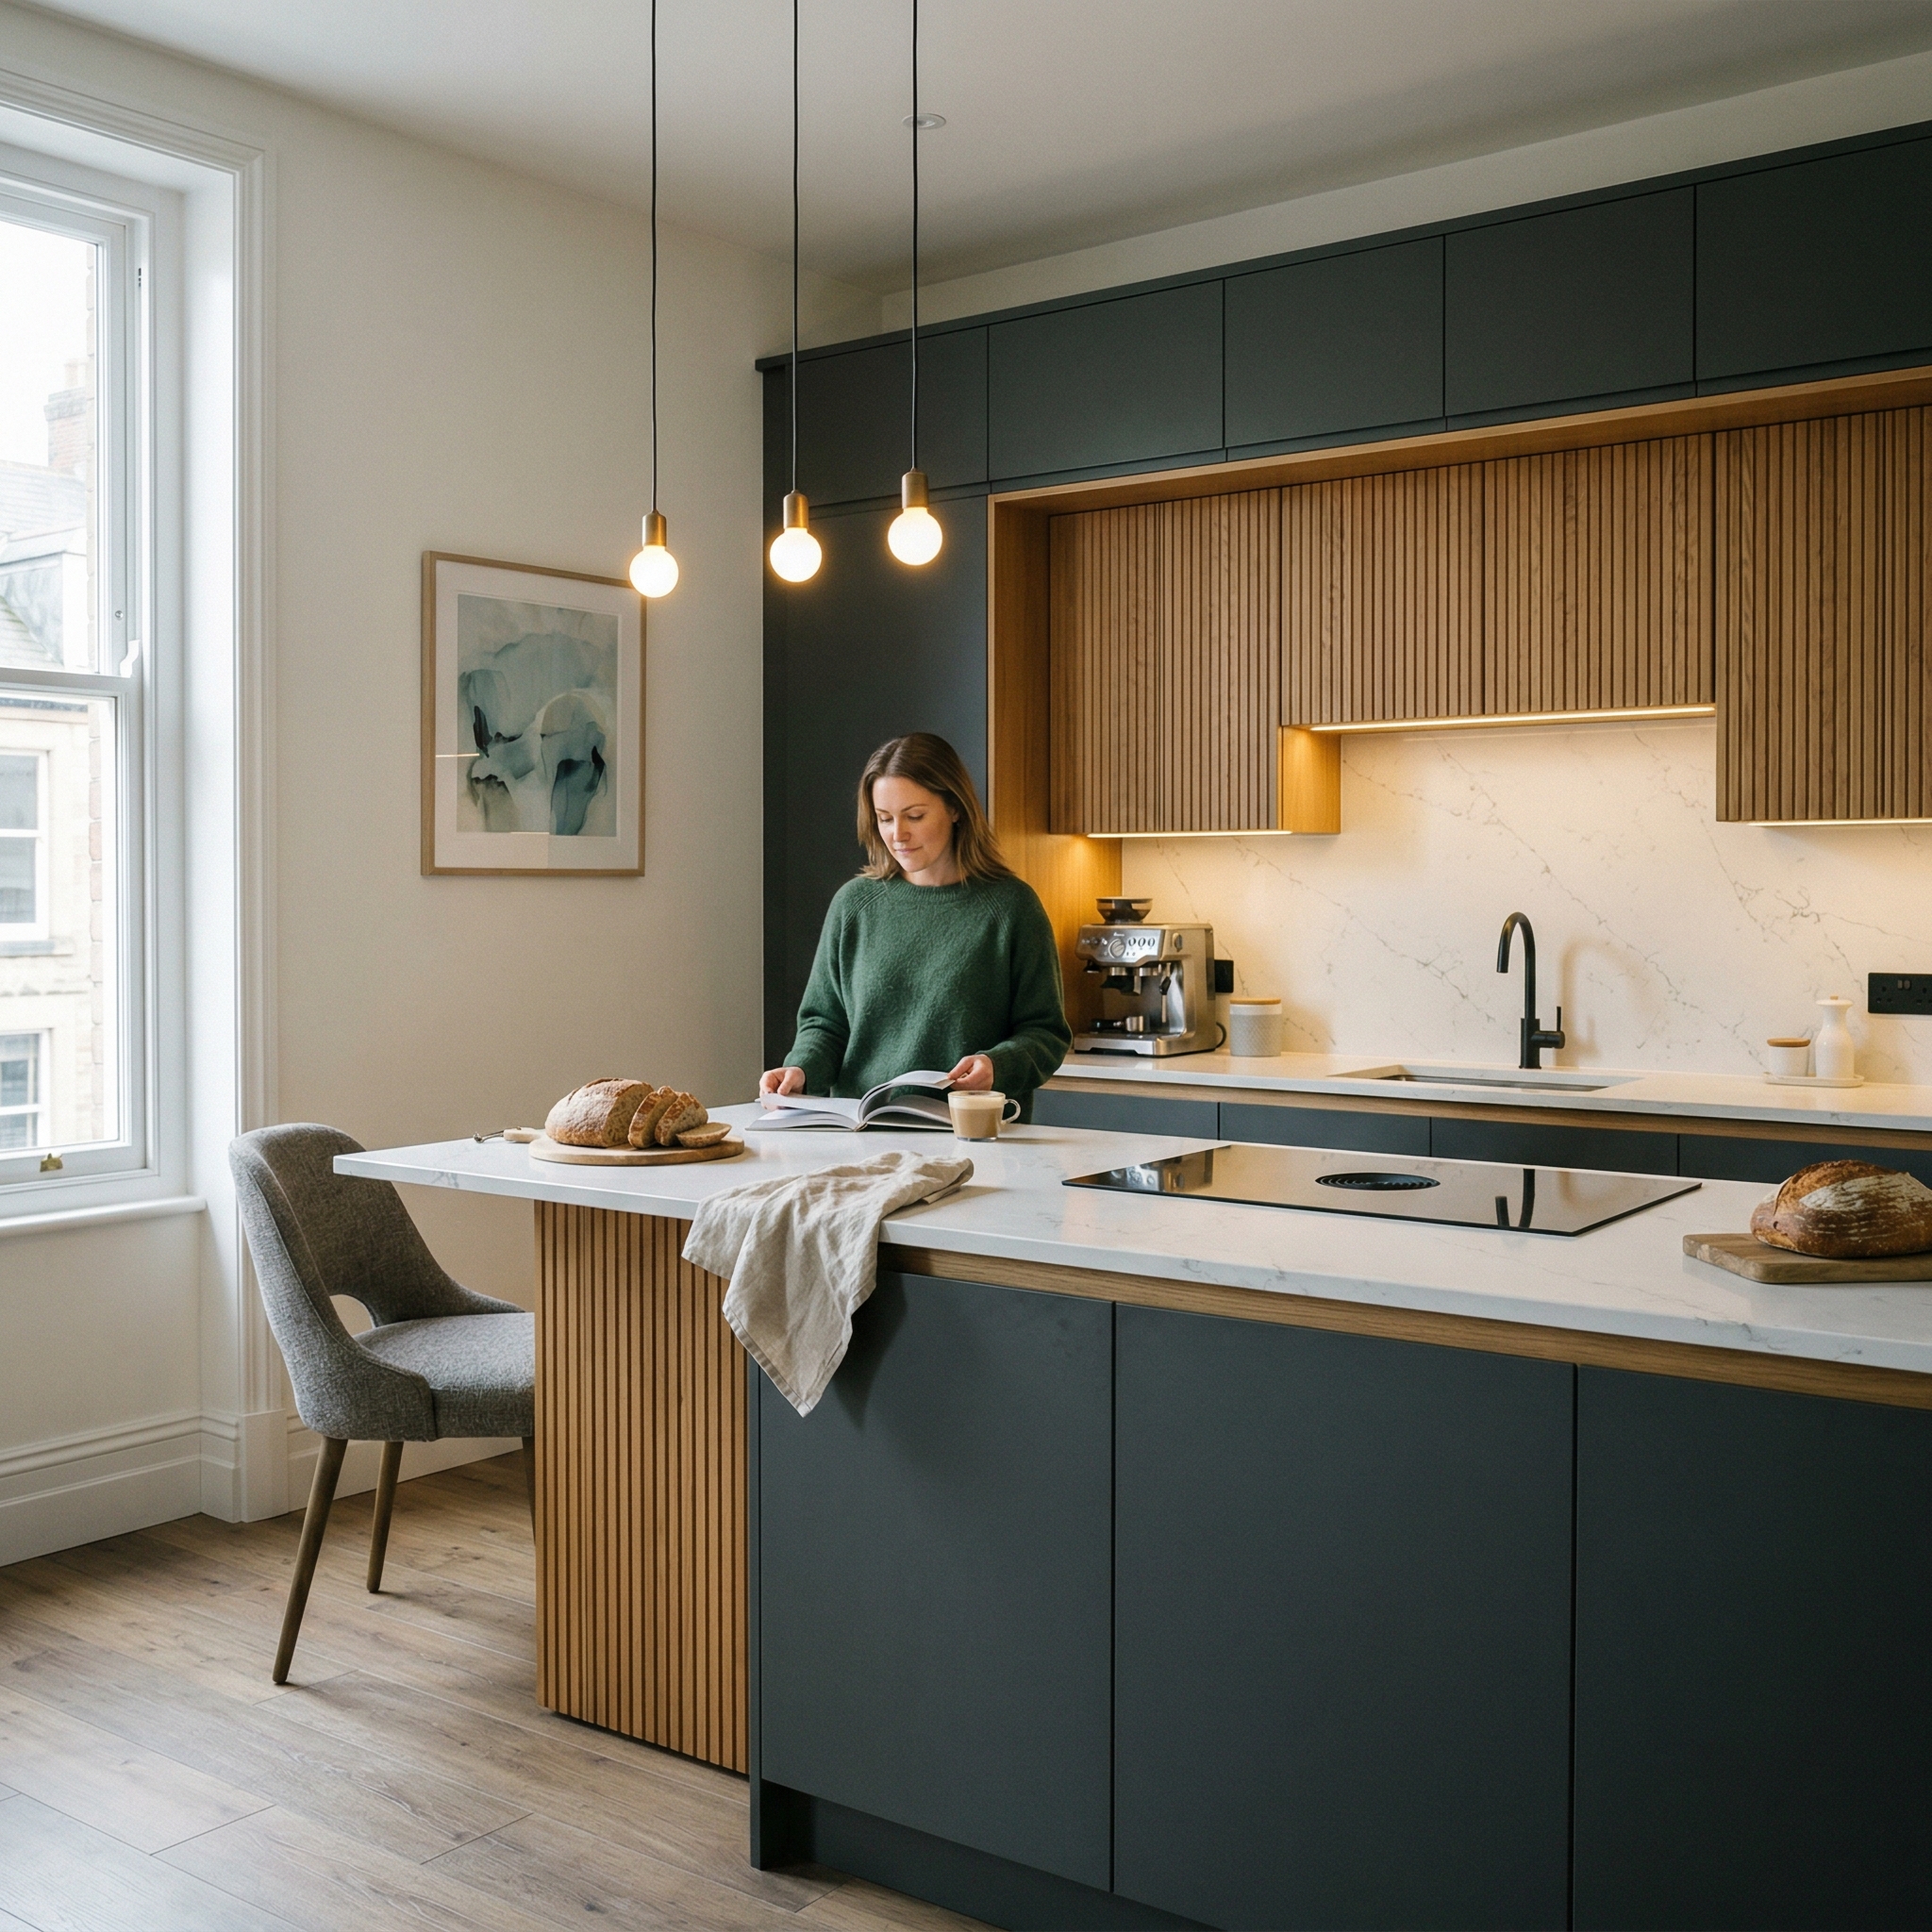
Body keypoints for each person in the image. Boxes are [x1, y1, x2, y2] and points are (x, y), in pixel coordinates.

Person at [761, 732, 1070, 1120]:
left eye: (915, 816)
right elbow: (825, 1024)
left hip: (970, 1134)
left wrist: (997, 1065)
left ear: (955, 808)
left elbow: (1046, 1033)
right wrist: (800, 1069)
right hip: (863, 1132)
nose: (897, 834)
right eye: (884, 818)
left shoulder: (1011, 908)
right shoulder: (854, 905)